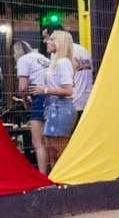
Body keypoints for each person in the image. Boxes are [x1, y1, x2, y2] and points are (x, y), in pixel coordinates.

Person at [35, 30, 77, 171]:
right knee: (52, 149)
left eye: (52, 39)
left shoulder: (63, 63)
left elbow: (68, 90)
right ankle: (57, 180)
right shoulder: (57, 62)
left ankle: (69, 178)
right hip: (54, 107)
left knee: (60, 150)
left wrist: (45, 90)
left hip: (61, 107)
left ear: (60, 43)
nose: (48, 41)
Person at [15, 38, 52, 172]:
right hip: (53, 95)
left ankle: (42, 176)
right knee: (49, 141)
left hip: (40, 96)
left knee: (38, 142)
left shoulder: (23, 60)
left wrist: (25, 101)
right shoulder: (41, 57)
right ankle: (53, 173)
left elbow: (23, 87)